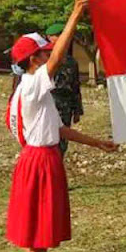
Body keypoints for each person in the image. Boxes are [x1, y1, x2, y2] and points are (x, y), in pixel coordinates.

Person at [6, 0, 118, 252]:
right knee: (38, 235)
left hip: (36, 158)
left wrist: (97, 143)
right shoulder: (32, 85)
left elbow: (60, 130)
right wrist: (74, 15)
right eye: (43, 51)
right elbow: (56, 60)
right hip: (40, 162)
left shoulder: (27, 93)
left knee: (36, 235)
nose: (49, 54)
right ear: (33, 61)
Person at [45, 22, 84, 155]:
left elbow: (75, 87)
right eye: (58, 36)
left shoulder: (71, 62)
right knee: (46, 140)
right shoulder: (43, 59)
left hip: (65, 107)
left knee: (62, 142)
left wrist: (77, 110)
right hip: (47, 104)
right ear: (49, 37)